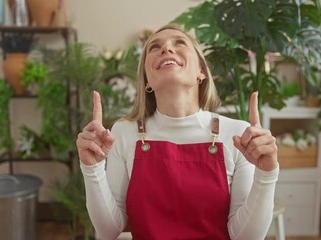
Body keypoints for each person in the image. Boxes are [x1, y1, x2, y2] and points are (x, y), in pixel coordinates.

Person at [76, 24, 279, 240]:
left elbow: (245, 237)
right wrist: (92, 169)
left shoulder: (237, 134)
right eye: (155, 47)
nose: (166, 49)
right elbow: (109, 231)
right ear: (147, 79)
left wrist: (266, 174)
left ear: (201, 72)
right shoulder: (124, 133)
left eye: (179, 43)